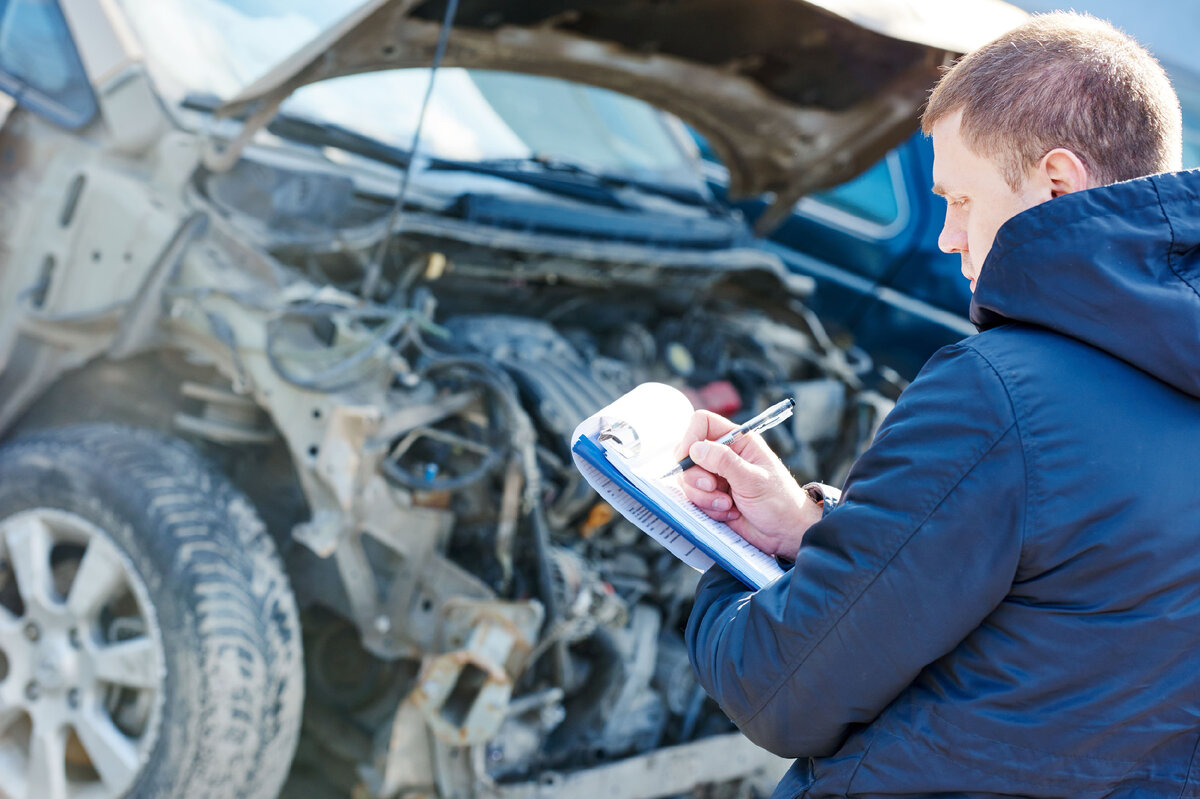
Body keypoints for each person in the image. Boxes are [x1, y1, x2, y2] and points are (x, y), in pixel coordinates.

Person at [677, 12, 1200, 798]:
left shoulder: (997, 395)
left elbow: (779, 689)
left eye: (960, 198)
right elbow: (1057, 600)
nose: (950, 236)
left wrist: (716, 553)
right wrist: (808, 530)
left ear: (1056, 182)